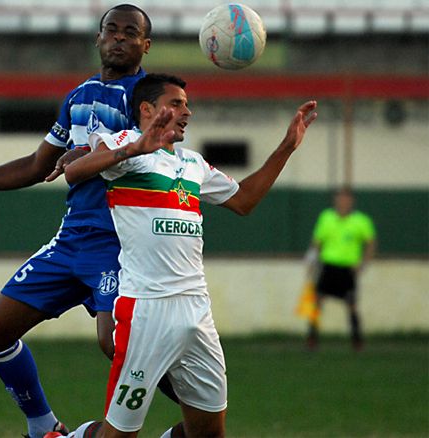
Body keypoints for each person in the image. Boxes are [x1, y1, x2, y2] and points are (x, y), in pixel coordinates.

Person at [0, 5, 178, 438]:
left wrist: (92, 156)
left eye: (129, 32)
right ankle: (44, 428)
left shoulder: (149, 97)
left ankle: (204, 414)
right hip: (71, 240)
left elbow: (155, 151)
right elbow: (39, 165)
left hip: (118, 244)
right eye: (110, 30)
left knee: (115, 343)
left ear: (145, 45)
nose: (118, 37)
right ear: (98, 39)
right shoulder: (78, 97)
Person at [58, 73, 317, 438]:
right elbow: (73, 171)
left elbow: (244, 200)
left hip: (196, 310)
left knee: (208, 432)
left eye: (187, 104)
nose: (187, 112)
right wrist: (134, 149)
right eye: (176, 103)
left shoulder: (192, 164)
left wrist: (286, 147)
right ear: (147, 110)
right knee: (120, 433)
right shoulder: (125, 144)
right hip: (146, 310)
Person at [305, 187, 376, 351]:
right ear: (335, 201)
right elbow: (317, 242)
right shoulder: (326, 217)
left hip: (347, 269)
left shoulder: (361, 221)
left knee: (351, 305)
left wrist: (363, 263)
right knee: (317, 302)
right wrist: (311, 261)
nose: (343, 202)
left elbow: (371, 243)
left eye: (346, 199)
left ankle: (357, 341)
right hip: (328, 266)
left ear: (351, 201)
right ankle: (312, 339)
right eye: (340, 198)